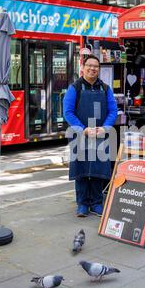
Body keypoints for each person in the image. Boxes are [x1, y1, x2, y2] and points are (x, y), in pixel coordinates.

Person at [63, 55, 118, 217]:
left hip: (100, 135)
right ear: (83, 67)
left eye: (96, 66)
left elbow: (113, 111)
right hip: (80, 135)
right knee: (81, 170)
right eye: (89, 65)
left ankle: (96, 202)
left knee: (98, 170)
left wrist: (106, 128)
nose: (93, 69)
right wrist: (83, 129)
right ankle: (82, 204)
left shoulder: (106, 89)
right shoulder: (75, 88)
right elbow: (68, 112)